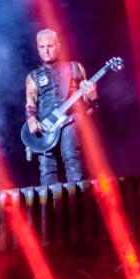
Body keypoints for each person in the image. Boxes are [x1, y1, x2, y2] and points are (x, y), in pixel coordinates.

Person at [25, 29, 98, 185]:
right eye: (42, 47)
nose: (46, 50)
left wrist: (93, 97)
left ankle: (76, 190)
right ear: (37, 49)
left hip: (70, 117)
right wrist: (31, 119)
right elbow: (30, 100)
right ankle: (49, 196)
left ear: (58, 46)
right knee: (46, 163)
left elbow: (90, 109)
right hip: (46, 123)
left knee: (70, 149)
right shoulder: (33, 76)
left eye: (50, 46)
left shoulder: (75, 68)